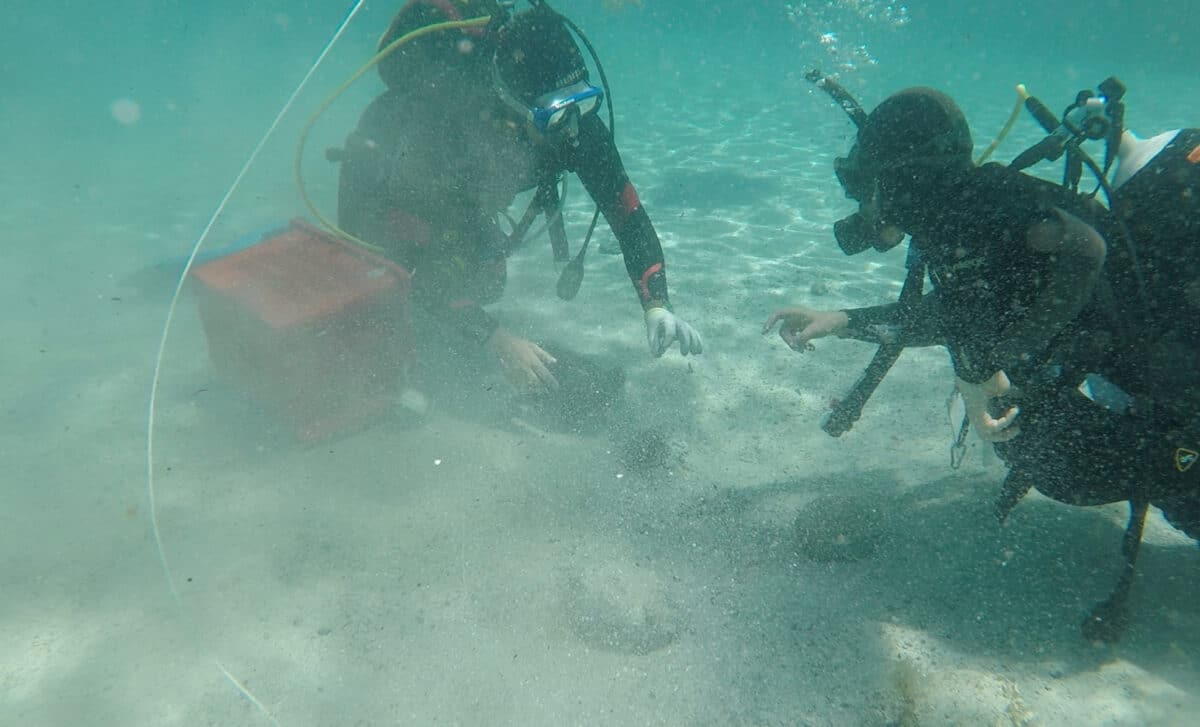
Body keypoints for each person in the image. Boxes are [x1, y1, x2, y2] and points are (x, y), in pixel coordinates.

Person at [762, 87, 1200, 542]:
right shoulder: (948, 219)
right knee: (1029, 432)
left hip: (1161, 356)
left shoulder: (983, 200)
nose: (865, 207)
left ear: (903, 178)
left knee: (1049, 447)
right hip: (1125, 359)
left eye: (868, 187)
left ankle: (1176, 468)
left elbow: (1085, 247)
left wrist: (1003, 356)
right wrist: (842, 320)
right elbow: (957, 309)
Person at [335, 0, 701, 398]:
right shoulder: (448, 138)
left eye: (582, 102)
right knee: (399, 291)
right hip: (381, 194)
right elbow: (422, 273)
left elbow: (628, 214)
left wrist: (657, 304)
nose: (571, 128)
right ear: (512, 108)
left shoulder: (574, 126)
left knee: (483, 277)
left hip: (460, 204)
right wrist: (498, 339)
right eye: (555, 114)